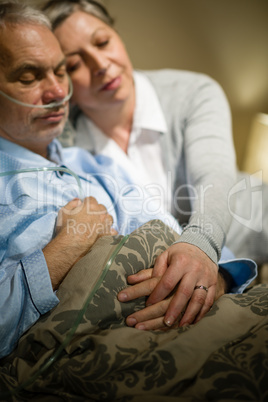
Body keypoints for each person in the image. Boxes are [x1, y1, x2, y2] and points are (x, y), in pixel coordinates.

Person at [0, 2, 257, 359]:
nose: (100, 66)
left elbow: (214, 180)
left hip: (232, 222)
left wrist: (214, 268)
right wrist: (70, 244)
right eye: (73, 64)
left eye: (102, 42)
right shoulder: (63, 137)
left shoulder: (87, 160)